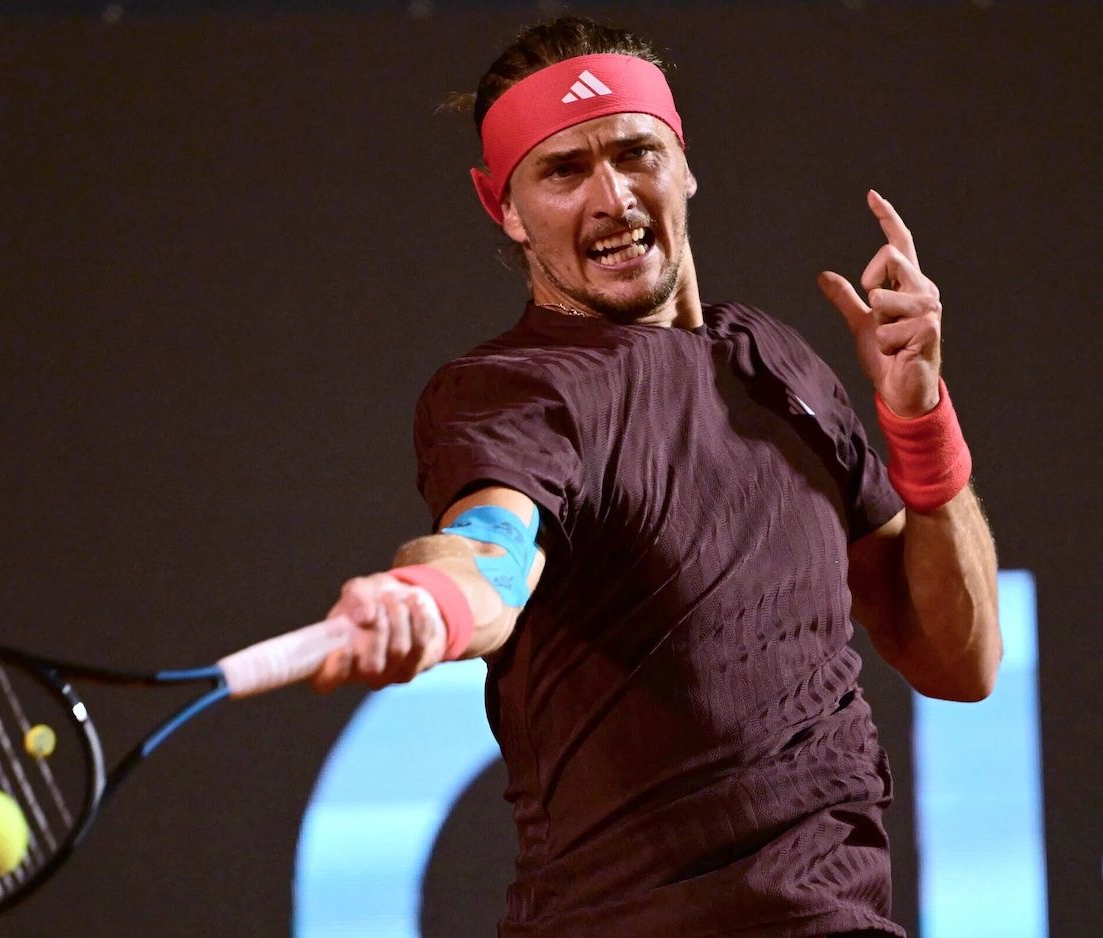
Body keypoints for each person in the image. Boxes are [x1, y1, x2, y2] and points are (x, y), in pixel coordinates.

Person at [309, 16, 1000, 938]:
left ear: (683, 164)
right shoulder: (512, 391)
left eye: (636, 154)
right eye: (563, 171)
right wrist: (428, 598)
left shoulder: (775, 362)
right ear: (502, 207)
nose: (612, 198)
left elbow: (960, 660)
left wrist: (919, 420)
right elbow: (492, 551)